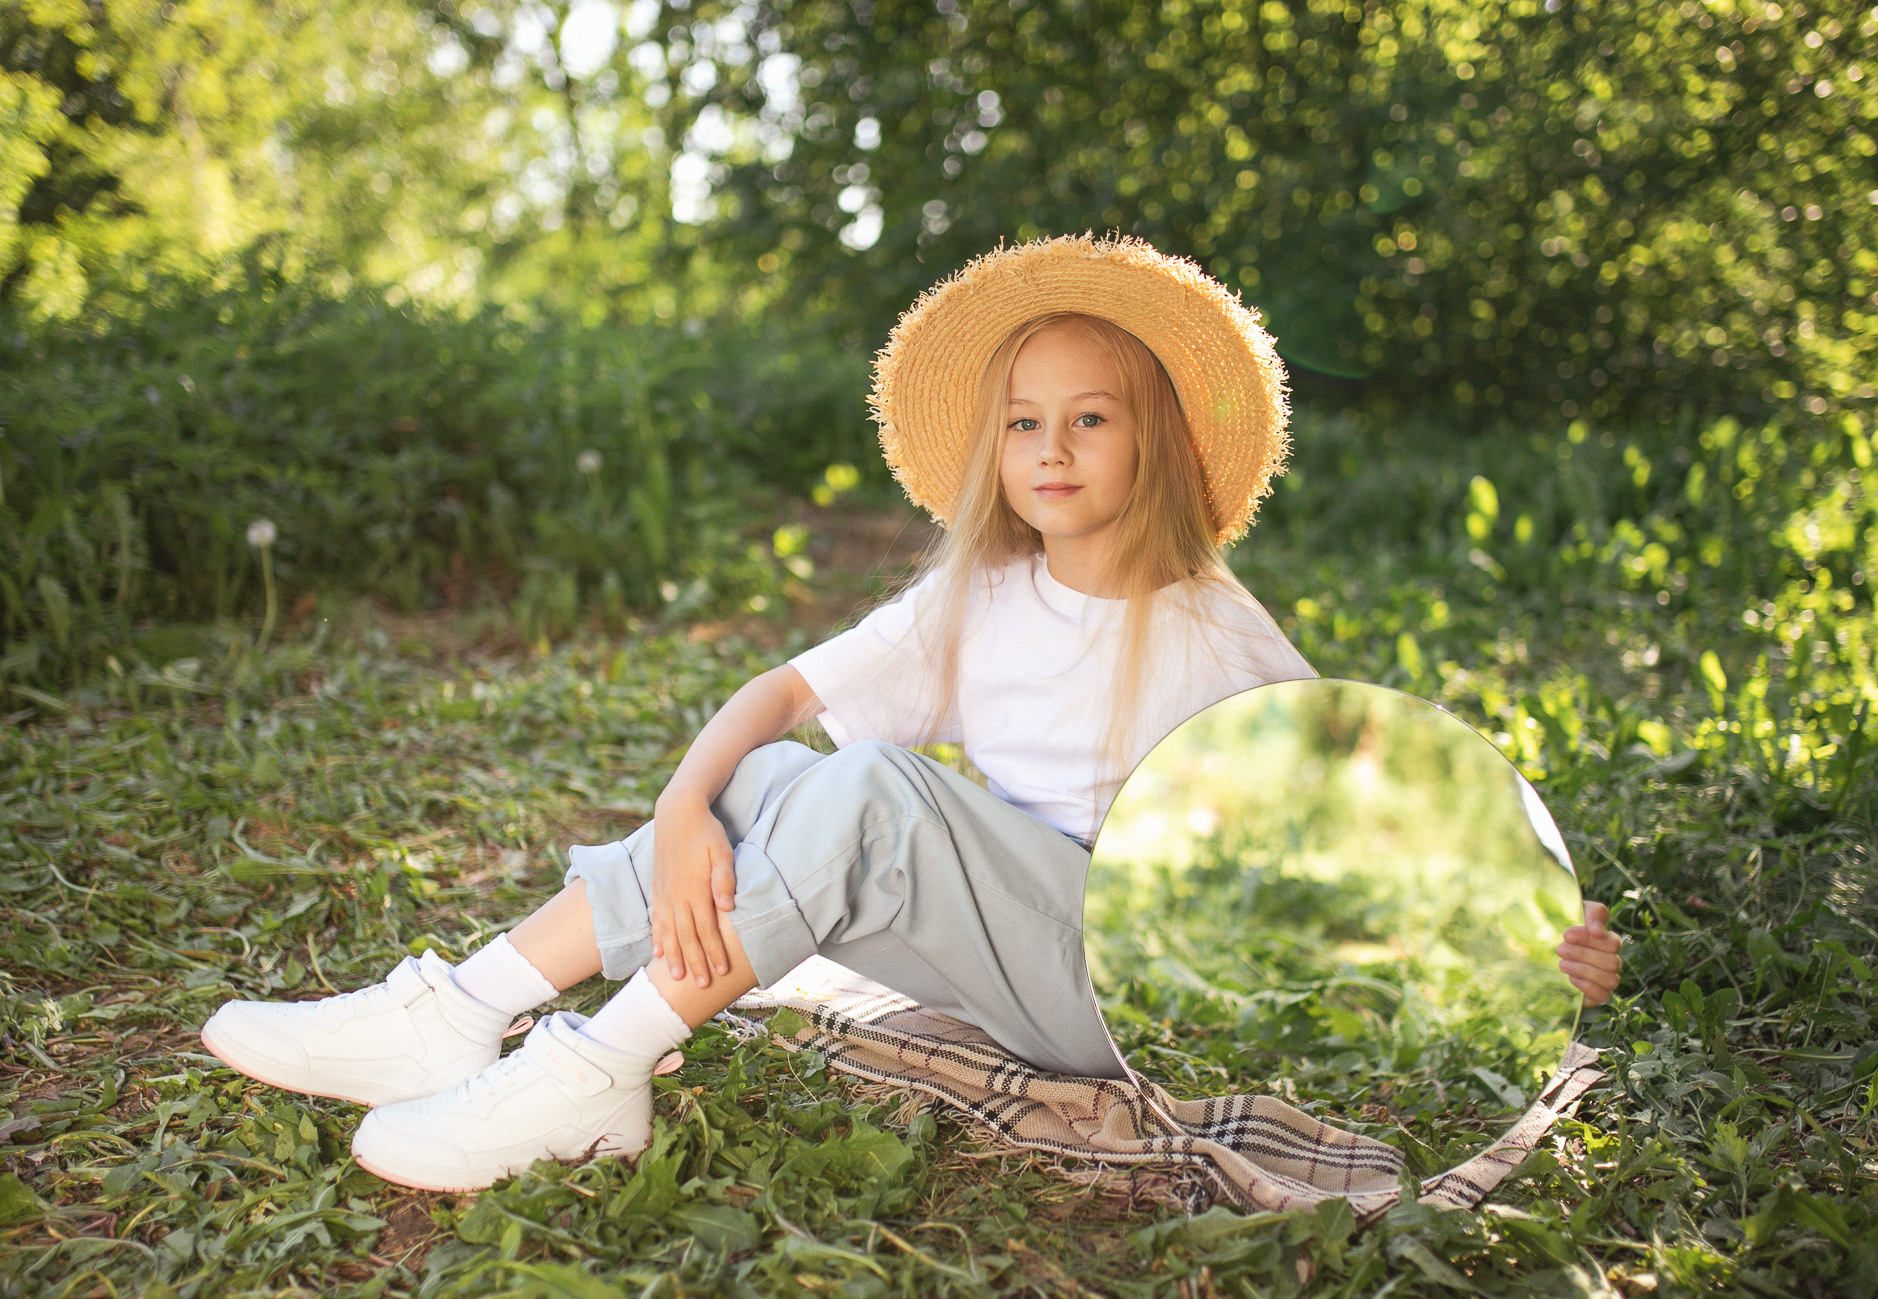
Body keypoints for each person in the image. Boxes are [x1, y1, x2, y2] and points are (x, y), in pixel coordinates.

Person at [201, 236, 1623, 1193]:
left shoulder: (1215, 631)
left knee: (872, 792)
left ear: (1164, 442)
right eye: (1022, 422)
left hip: (1116, 980)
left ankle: (597, 1063)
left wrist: (1531, 935)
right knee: (773, 784)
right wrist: (693, 810)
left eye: (1091, 419)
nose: (1049, 450)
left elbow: (1378, 820)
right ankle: (466, 1009)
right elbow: (778, 696)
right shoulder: (982, 597)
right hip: (997, 944)